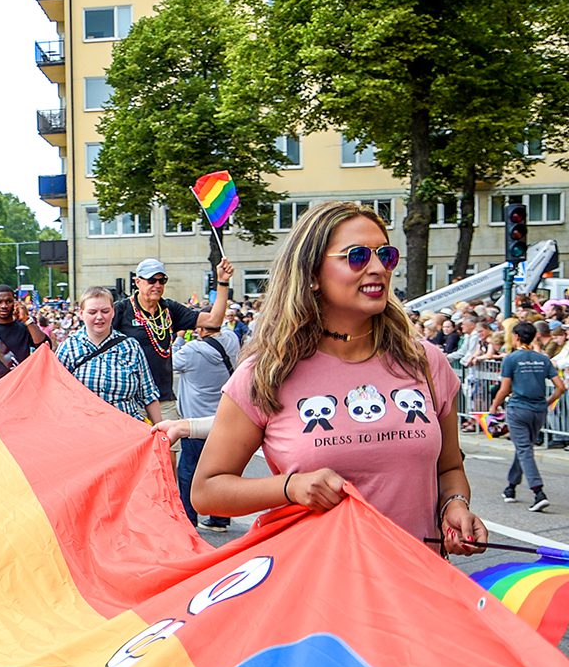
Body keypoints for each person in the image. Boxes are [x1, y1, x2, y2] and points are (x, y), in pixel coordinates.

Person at [190, 201, 485, 556]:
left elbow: (450, 467)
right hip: (317, 592)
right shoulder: (266, 372)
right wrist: (291, 487)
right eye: (357, 256)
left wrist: (454, 505)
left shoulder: (425, 362)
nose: (377, 268)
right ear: (312, 274)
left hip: (417, 589)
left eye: (386, 255)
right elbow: (207, 492)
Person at [114, 257, 234, 419]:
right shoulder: (121, 310)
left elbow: (213, 321)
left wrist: (223, 282)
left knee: (170, 445)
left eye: (162, 280)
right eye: (151, 280)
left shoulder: (169, 309)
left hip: (163, 399)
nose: (157, 285)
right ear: (137, 282)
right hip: (130, 400)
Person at [487, 321, 564, 512]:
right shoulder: (543, 359)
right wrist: (547, 401)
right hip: (538, 409)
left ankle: (538, 492)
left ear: (517, 337)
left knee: (524, 449)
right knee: (524, 448)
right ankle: (511, 487)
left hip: (519, 408)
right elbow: (561, 387)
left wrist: (494, 406)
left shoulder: (511, 359)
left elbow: (505, 388)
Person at [172, 323, 241, 531]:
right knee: (221, 472)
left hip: (194, 421)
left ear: (200, 330)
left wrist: (180, 338)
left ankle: (189, 518)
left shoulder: (192, 351)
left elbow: (170, 362)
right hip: (224, 419)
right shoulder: (231, 342)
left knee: (188, 472)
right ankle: (220, 518)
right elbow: (225, 330)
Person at [57, 287, 161, 421]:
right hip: (82, 430)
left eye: (105, 311)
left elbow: (148, 394)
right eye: (92, 312)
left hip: (125, 430)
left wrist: (161, 432)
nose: (99, 317)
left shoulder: (131, 347)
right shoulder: (68, 348)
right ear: (81, 314)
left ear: (113, 312)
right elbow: (56, 395)